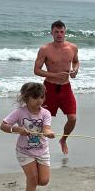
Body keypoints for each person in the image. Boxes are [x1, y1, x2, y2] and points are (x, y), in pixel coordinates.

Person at [1, 82, 56, 191]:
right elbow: (3, 125)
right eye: (35, 97)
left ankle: (30, 184)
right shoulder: (20, 112)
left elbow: (46, 128)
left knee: (43, 181)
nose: (39, 100)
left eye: (42, 97)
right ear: (26, 98)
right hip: (24, 151)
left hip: (42, 150)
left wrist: (48, 132)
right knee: (32, 178)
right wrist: (17, 129)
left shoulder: (45, 113)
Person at [34, 20, 80, 156]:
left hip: (66, 88)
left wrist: (75, 70)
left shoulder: (73, 48)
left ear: (65, 32)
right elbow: (36, 70)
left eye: (61, 32)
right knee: (42, 119)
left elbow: (76, 61)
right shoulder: (45, 49)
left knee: (72, 118)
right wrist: (53, 74)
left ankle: (63, 140)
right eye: (56, 32)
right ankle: (38, 146)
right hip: (49, 88)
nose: (59, 34)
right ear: (51, 33)